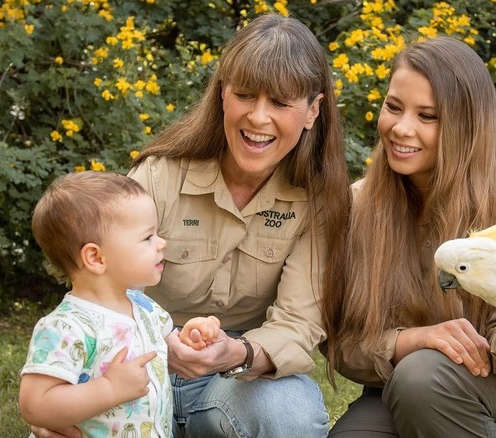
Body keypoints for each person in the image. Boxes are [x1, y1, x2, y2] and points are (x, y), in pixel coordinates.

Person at [322, 37, 496, 437]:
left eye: (427, 116)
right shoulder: (359, 205)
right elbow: (340, 345)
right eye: (393, 107)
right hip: (404, 388)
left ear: (465, 124)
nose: (401, 128)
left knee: (422, 378)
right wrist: (413, 340)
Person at [125, 12, 347, 438]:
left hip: (231, 382)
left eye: (280, 103)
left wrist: (235, 353)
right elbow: (100, 290)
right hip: (137, 371)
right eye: (245, 95)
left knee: (289, 411)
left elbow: (297, 326)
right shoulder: (157, 176)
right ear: (223, 93)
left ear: (312, 111)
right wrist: (158, 344)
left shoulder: (320, 203)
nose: (258, 118)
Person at [19, 171, 174, 437]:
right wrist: (110, 389)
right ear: (96, 257)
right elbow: (35, 405)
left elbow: (165, 342)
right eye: (147, 237)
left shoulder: (143, 305)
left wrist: (192, 338)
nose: (161, 243)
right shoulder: (66, 327)